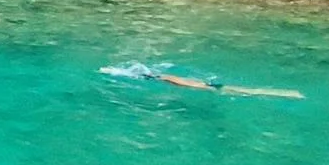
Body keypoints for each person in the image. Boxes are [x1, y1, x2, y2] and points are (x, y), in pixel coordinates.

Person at [100, 62, 303, 99]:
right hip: (211, 87)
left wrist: (113, 71)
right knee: (253, 92)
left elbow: (176, 80)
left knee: (252, 92)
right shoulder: (165, 78)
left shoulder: (166, 79)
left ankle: (292, 94)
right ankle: (292, 94)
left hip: (212, 89)